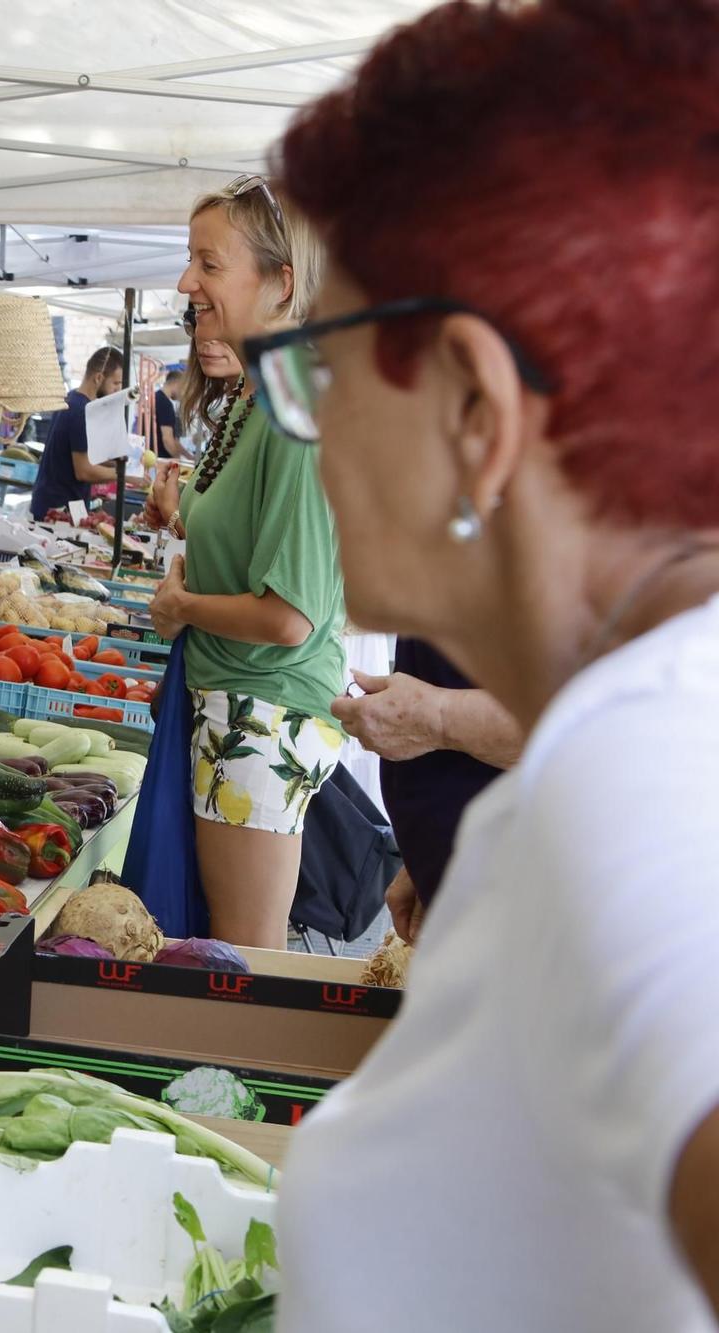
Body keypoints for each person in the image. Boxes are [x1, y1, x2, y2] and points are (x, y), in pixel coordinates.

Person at [259, 3, 719, 1328]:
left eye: (322, 373)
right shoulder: (620, 739)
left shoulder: (650, 766)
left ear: (474, 407)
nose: (315, 435)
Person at [143, 177, 345, 950]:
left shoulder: (296, 415)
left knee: (240, 962)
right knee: (222, 952)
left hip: (262, 718)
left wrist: (183, 607)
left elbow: (289, 617)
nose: (187, 283)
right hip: (236, 708)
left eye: (209, 264)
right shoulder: (258, 401)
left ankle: (224, 1079)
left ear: (281, 283)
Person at [331, 641, 523, 941]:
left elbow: (605, 725)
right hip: (469, 869)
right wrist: (423, 854)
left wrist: (437, 716)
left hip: (526, 888)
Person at [30, 347, 125, 521]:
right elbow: (84, 471)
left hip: (54, 503)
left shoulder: (73, 400)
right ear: (98, 378)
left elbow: (83, 452)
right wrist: (124, 474)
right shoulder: (81, 412)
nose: (118, 391)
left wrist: (120, 461)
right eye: (116, 384)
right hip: (57, 511)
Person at [155, 368, 184, 458]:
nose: (183, 393)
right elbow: (167, 440)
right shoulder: (165, 403)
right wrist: (179, 461)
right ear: (176, 384)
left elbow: (174, 439)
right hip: (161, 459)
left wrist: (189, 457)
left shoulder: (156, 397)